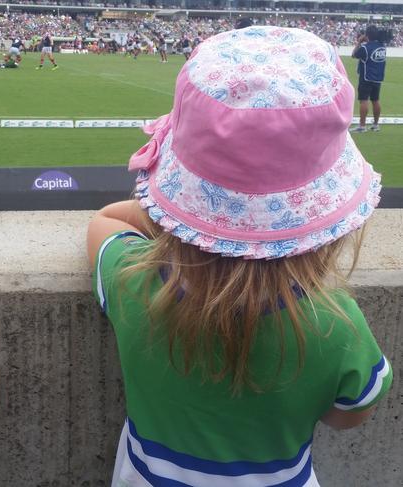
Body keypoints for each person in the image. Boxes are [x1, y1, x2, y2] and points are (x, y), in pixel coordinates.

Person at [87, 26, 392, 487]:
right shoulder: (336, 324)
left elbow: (104, 223)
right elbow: (350, 414)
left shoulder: (134, 282)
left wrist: (177, 223)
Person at [350, 25, 389, 133]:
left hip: (366, 77)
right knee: (375, 100)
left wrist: (359, 42)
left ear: (367, 35)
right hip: (378, 78)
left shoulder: (365, 48)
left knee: (364, 100)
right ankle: (375, 125)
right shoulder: (382, 46)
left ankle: (362, 126)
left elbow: (353, 55)